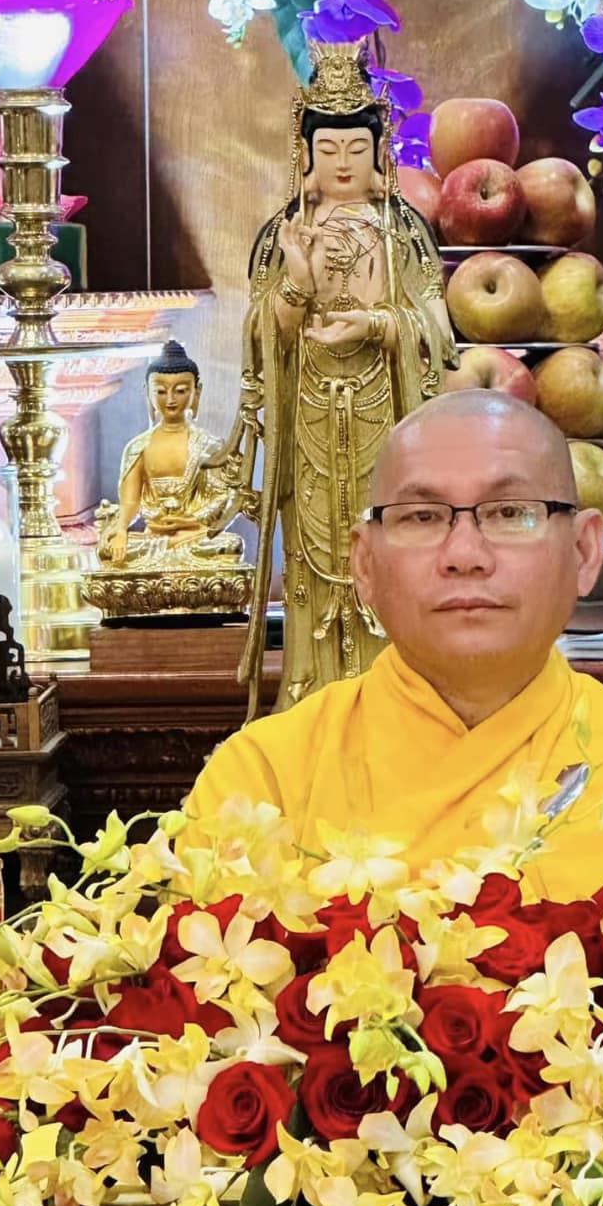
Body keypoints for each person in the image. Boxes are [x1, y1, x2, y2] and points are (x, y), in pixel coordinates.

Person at [184, 389, 603, 909]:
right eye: (422, 517)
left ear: (585, 551)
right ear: (364, 564)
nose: (465, 554)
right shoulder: (264, 782)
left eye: (509, 512)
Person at [219, 40, 454, 718]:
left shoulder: (402, 231)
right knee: (317, 569)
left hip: (387, 412)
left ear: (379, 152)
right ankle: (313, 708)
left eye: (357, 149)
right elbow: (263, 338)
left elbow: (437, 329)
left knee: (389, 554)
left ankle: (400, 704)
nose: (344, 164)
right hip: (312, 420)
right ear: (306, 156)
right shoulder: (283, 233)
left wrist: (379, 326)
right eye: (330, 151)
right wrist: (294, 285)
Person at [94, 340, 241, 573]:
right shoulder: (138, 447)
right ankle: (166, 554)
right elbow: (130, 503)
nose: (170, 399)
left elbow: (222, 497)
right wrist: (121, 529)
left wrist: (191, 522)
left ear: (196, 392)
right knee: (107, 550)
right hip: (152, 537)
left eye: (181, 391)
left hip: (195, 536)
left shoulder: (209, 446)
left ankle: (170, 555)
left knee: (230, 546)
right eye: (161, 392)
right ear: (148, 393)